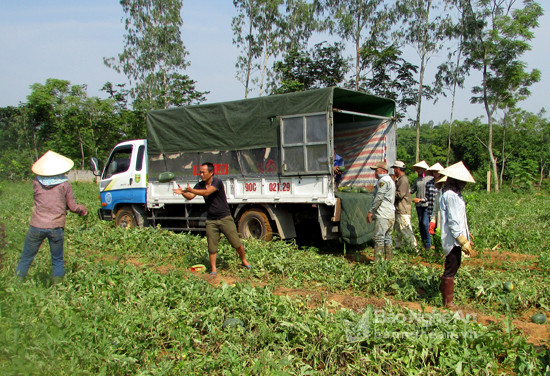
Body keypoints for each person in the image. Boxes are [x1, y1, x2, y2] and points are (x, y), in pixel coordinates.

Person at [16, 150, 88, 284]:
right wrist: (82, 209)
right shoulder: (64, 184)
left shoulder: (36, 183)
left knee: (26, 257)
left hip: (36, 226)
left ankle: (18, 284)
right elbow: (72, 207)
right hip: (56, 227)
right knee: (57, 260)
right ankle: (58, 289)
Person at [174, 162, 251, 275]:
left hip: (225, 218)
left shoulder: (217, 182)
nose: (201, 174)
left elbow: (207, 192)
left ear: (211, 173)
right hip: (211, 220)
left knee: (236, 242)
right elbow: (190, 197)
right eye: (200, 172)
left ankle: (244, 260)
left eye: (203, 172)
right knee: (212, 246)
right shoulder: (200, 185)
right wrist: (182, 193)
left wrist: (191, 190)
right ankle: (214, 269)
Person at [438, 161, 476, 308]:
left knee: (453, 265)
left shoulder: (453, 194)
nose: (464, 185)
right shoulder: (451, 196)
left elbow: (459, 218)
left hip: (455, 238)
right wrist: (462, 240)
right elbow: (453, 222)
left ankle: (446, 299)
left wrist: (466, 233)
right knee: (451, 267)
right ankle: (448, 302)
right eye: (462, 182)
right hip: (452, 239)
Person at [367, 161, 396, 261]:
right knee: (388, 238)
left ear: (383, 171)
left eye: (376, 170)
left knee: (379, 238)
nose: (375, 172)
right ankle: (389, 261)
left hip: (383, 213)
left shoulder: (382, 181)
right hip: (390, 213)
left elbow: (379, 197)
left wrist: (371, 211)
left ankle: (378, 263)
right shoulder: (391, 180)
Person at [391, 161, 417, 250]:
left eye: (395, 168)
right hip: (399, 209)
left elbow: (400, 194)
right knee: (398, 230)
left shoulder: (403, 180)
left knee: (406, 230)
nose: (394, 170)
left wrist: (390, 192)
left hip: (403, 209)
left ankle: (413, 248)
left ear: (398, 169)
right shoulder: (400, 179)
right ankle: (398, 247)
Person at [410, 160, 433, 249]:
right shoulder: (417, 180)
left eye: (419, 169)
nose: (418, 170)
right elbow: (412, 190)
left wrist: (421, 199)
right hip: (419, 206)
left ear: (424, 169)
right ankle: (424, 244)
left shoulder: (430, 179)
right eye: (417, 169)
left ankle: (428, 245)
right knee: (421, 224)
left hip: (426, 204)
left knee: (425, 223)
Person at [425, 162, 444, 246]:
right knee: (432, 230)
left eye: (437, 171)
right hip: (431, 209)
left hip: (440, 211)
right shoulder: (429, 183)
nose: (436, 173)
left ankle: (440, 248)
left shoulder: (443, 184)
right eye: (434, 171)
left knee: (440, 230)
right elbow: (427, 196)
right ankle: (436, 248)